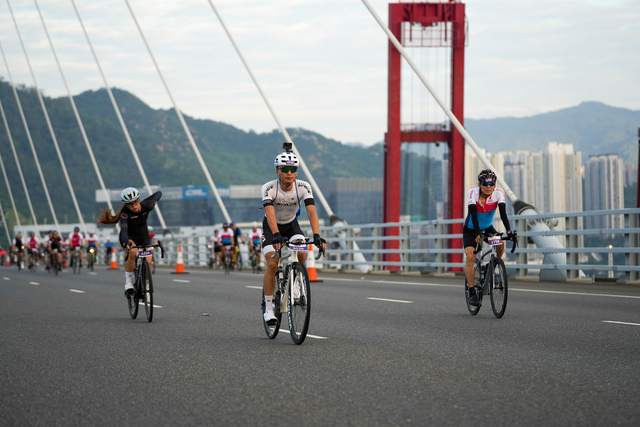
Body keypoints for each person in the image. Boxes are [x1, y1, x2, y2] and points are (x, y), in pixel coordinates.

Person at [261, 146, 326, 325]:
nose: (289, 173)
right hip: (271, 227)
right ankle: (269, 309)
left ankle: (296, 281)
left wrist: (317, 235)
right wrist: (276, 234)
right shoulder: (268, 188)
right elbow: (270, 213)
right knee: (272, 263)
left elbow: (311, 211)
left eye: (293, 169)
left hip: (291, 226)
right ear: (278, 171)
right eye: (285, 169)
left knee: (302, 251)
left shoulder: (304, 186)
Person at [463, 169, 517, 306]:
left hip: (487, 228)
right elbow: (473, 214)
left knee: (500, 243)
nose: (489, 187)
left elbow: (503, 214)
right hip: (471, 229)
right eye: (485, 184)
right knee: (470, 257)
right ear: (479, 184)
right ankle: (472, 292)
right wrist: (477, 233)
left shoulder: (498, 193)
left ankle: (493, 266)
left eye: (492, 184)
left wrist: (509, 231)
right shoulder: (472, 193)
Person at [97, 187, 162, 296]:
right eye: (130, 204)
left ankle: (147, 286)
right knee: (132, 251)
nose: (133, 206)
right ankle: (129, 282)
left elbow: (159, 193)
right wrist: (126, 242)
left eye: (135, 202)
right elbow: (124, 230)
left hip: (143, 235)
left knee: (149, 260)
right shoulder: (125, 213)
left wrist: (148, 200)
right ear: (126, 205)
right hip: (128, 236)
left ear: (139, 199)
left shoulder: (148, 205)